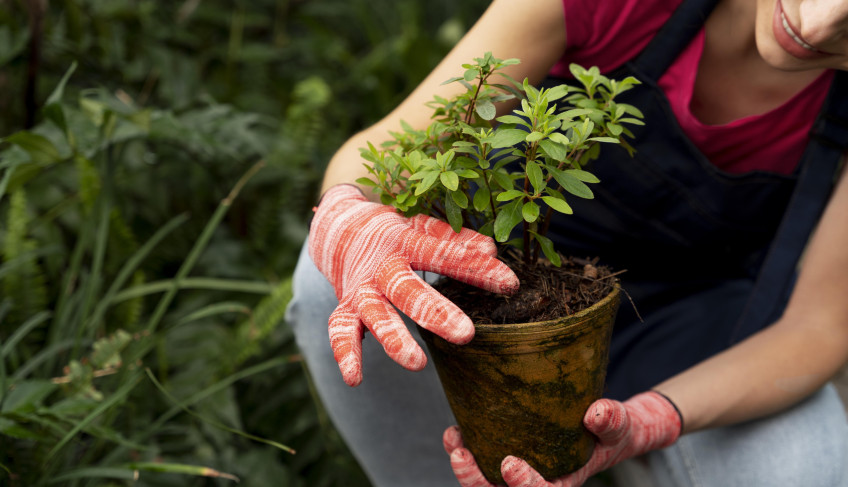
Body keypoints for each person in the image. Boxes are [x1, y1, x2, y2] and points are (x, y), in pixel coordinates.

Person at [285, 0, 848, 485]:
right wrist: (350, 216)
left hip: (691, 326)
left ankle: (630, 460)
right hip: (494, 277)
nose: (819, 24)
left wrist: (653, 420)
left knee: (804, 470)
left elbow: (819, 328)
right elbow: (381, 157)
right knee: (334, 282)